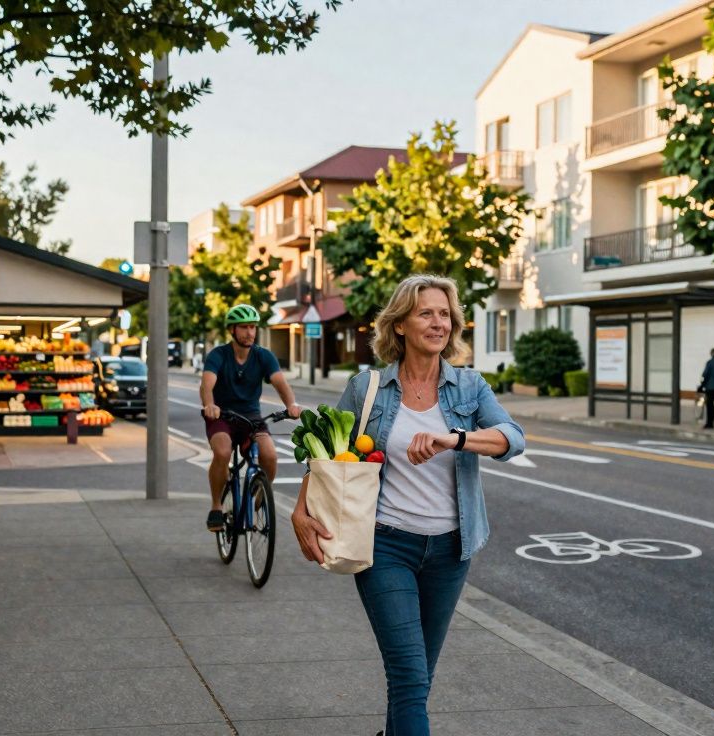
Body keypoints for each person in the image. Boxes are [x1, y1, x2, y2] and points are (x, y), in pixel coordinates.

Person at [290, 275, 524, 736]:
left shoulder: (469, 387)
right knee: (410, 677)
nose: (439, 322)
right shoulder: (368, 388)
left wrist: (454, 438)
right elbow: (326, 456)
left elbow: (513, 439)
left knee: (417, 678)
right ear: (399, 325)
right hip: (385, 547)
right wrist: (301, 511)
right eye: (426, 313)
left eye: (445, 314)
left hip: (450, 552)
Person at [201, 304, 301, 531]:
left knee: (270, 456)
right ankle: (216, 506)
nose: (250, 332)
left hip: (251, 418)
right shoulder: (218, 355)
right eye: (244, 327)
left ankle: (256, 500)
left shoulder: (263, 356)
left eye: (253, 327)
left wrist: (291, 405)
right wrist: (209, 404)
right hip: (221, 415)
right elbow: (207, 383)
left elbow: (280, 383)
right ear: (232, 330)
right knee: (223, 452)